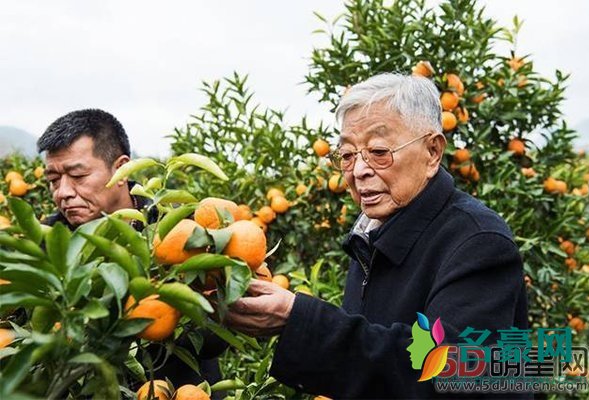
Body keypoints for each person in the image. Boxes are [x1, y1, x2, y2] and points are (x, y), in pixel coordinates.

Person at [225, 74, 529, 398]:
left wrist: (300, 319)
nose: (358, 171)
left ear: (432, 152)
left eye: (379, 151)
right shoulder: (373, 235)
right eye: (347, 155)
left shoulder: (478, 243)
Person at [37, 109, 225, 389]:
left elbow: (217, 334)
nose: (62, 192)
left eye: (77, 175)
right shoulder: (51, 239)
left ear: (121, 169)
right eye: (53, 180)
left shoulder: (181, 231)